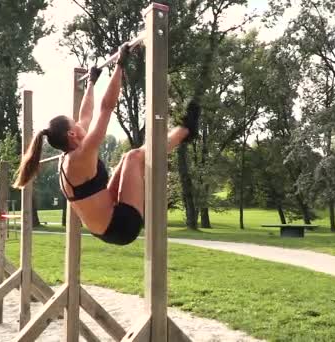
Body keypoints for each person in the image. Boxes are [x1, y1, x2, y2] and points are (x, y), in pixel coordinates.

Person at [14, 43, 200, 245]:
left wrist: (91, 84)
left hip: (105, 223)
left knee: (126, 157)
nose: (80, 123)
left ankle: (184, 132)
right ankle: (185, 131)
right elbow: (106, 107)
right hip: (121, 226)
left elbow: (86, 113)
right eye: (75, 124)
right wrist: (120, 65)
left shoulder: (69, 154)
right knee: (134, 157)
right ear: (72, 133)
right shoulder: (82, 154)